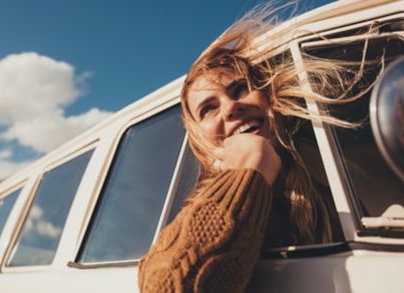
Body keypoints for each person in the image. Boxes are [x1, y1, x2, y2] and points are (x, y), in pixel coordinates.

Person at [138, 3, 368, 293]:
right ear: (200, 139)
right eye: (208, 109)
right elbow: (168, 286)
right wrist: (250, 171)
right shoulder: (198, 209)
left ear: (268, 98)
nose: (232, 108)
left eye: (240, 89)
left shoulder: (328, 197)